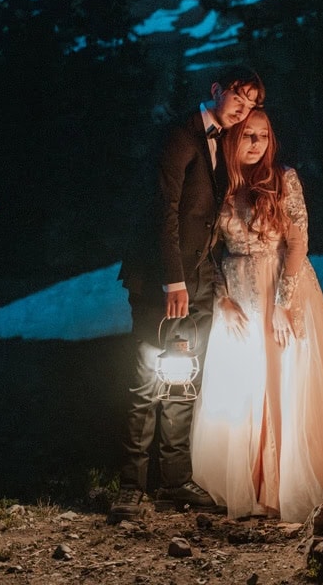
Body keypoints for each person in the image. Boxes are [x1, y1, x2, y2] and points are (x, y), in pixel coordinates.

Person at [190, 109, 323, 521]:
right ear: (231, 140)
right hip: (238, 288)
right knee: (245, 385)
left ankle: (285, 484)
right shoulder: (220, 184)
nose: (255, 144)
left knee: (285, 380)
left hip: (281, 285)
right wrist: (223, 299)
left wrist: (282, 303)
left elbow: (297, 243)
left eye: (262, 136)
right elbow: (212, 252)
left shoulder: (283, 178)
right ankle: (251, 484)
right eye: (246, 136)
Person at [109, 67, 265, 523]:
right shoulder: (179, 135)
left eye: (252, 104)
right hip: (164, 281)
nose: (243, 108)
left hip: (199, 282)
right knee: (146, 378)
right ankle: (131, 487)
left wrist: (205, 282)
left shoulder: (227, 143)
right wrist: (172, 280)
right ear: (217, 89)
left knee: (184, 379)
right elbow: (166, 211)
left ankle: (175, 480)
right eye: (239, 96)